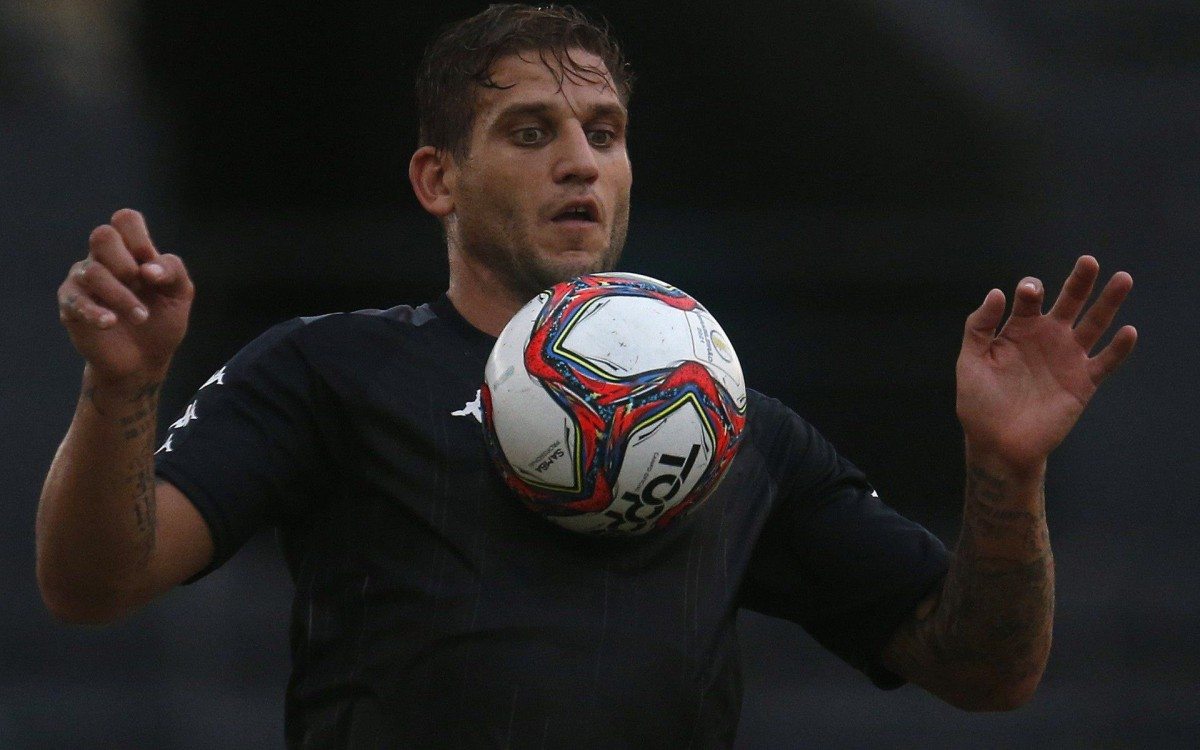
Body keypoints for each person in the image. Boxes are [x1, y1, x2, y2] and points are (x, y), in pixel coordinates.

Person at [38, 5, 1137, 748]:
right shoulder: (329, 370)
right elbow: (95, 583)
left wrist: (1006, 471)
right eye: (531, 130)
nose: (580, 158)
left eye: (603, 132)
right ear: (438, 177)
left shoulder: (735, 420)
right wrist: (121, 391)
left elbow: (984, 670)